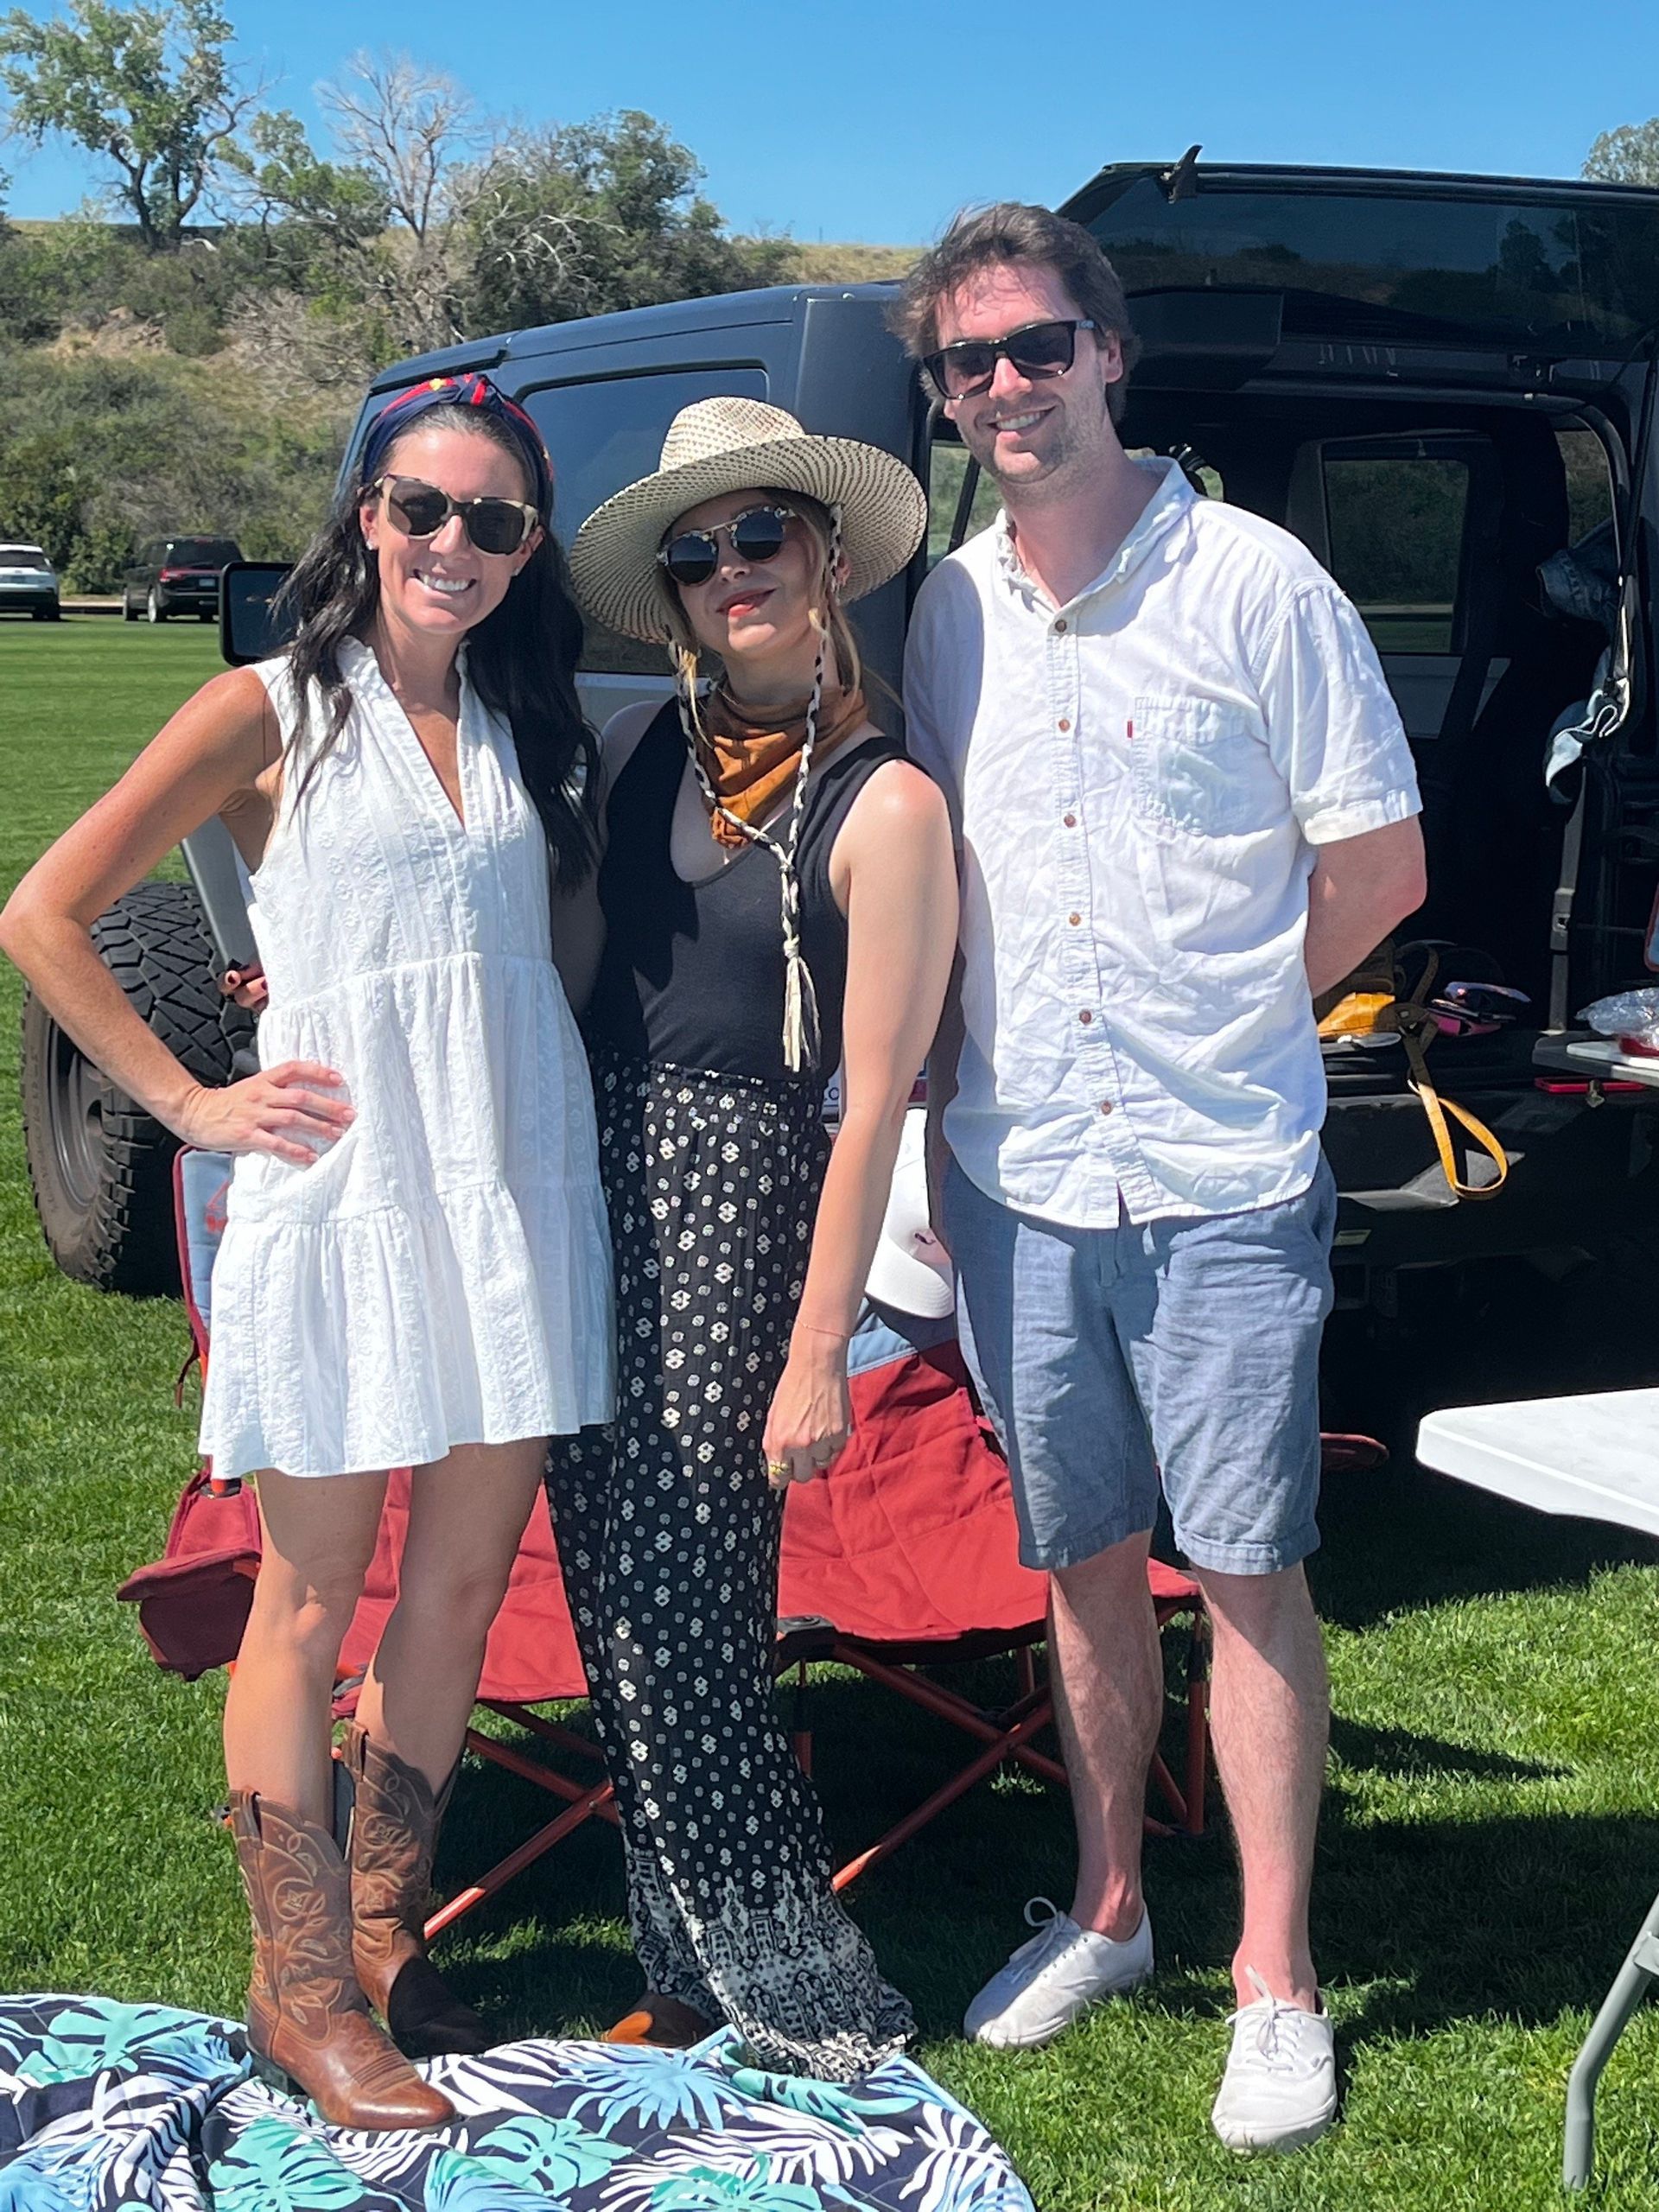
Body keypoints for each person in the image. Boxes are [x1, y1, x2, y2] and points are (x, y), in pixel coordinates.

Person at [0, 374, 614, 2131]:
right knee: (312, 1591)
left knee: (461, 1585)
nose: (454, 546)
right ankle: (301, 1982)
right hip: (348, 1191)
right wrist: (191, 1098)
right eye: (423, 509)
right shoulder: (263, 708)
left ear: (525, 550)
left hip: (508, 1183)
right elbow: (43, 909)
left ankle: (382, 1926)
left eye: (495, 523)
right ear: (366, 515)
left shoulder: (519, 716)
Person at [894, 207, 1427, 2152]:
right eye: (971, 365)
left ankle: (1274, 1974)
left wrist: (1240, 1020)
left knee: (1252, 1566)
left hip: (1216, 1174)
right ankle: (1112, 1904)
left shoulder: (1262, 584)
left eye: (1039, 346)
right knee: (1080, 1558)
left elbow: (1377, 867)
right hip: (1023, 1174)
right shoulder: (947, 611)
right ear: (945, 398)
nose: (1010, 387)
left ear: (1111, 352)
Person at [545, 397, 957, 2079]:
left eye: (761, 536)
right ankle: (688, 1956)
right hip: (596, 1193)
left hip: (741, 1224)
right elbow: (557, 979)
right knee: (612, 1612)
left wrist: (815, 1352)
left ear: (830, 553)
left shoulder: (889, 806)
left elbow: (872, 1106)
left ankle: (801, 1988)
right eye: (698, 554)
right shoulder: (642, 751)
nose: (733, 574)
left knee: (697, 1614)